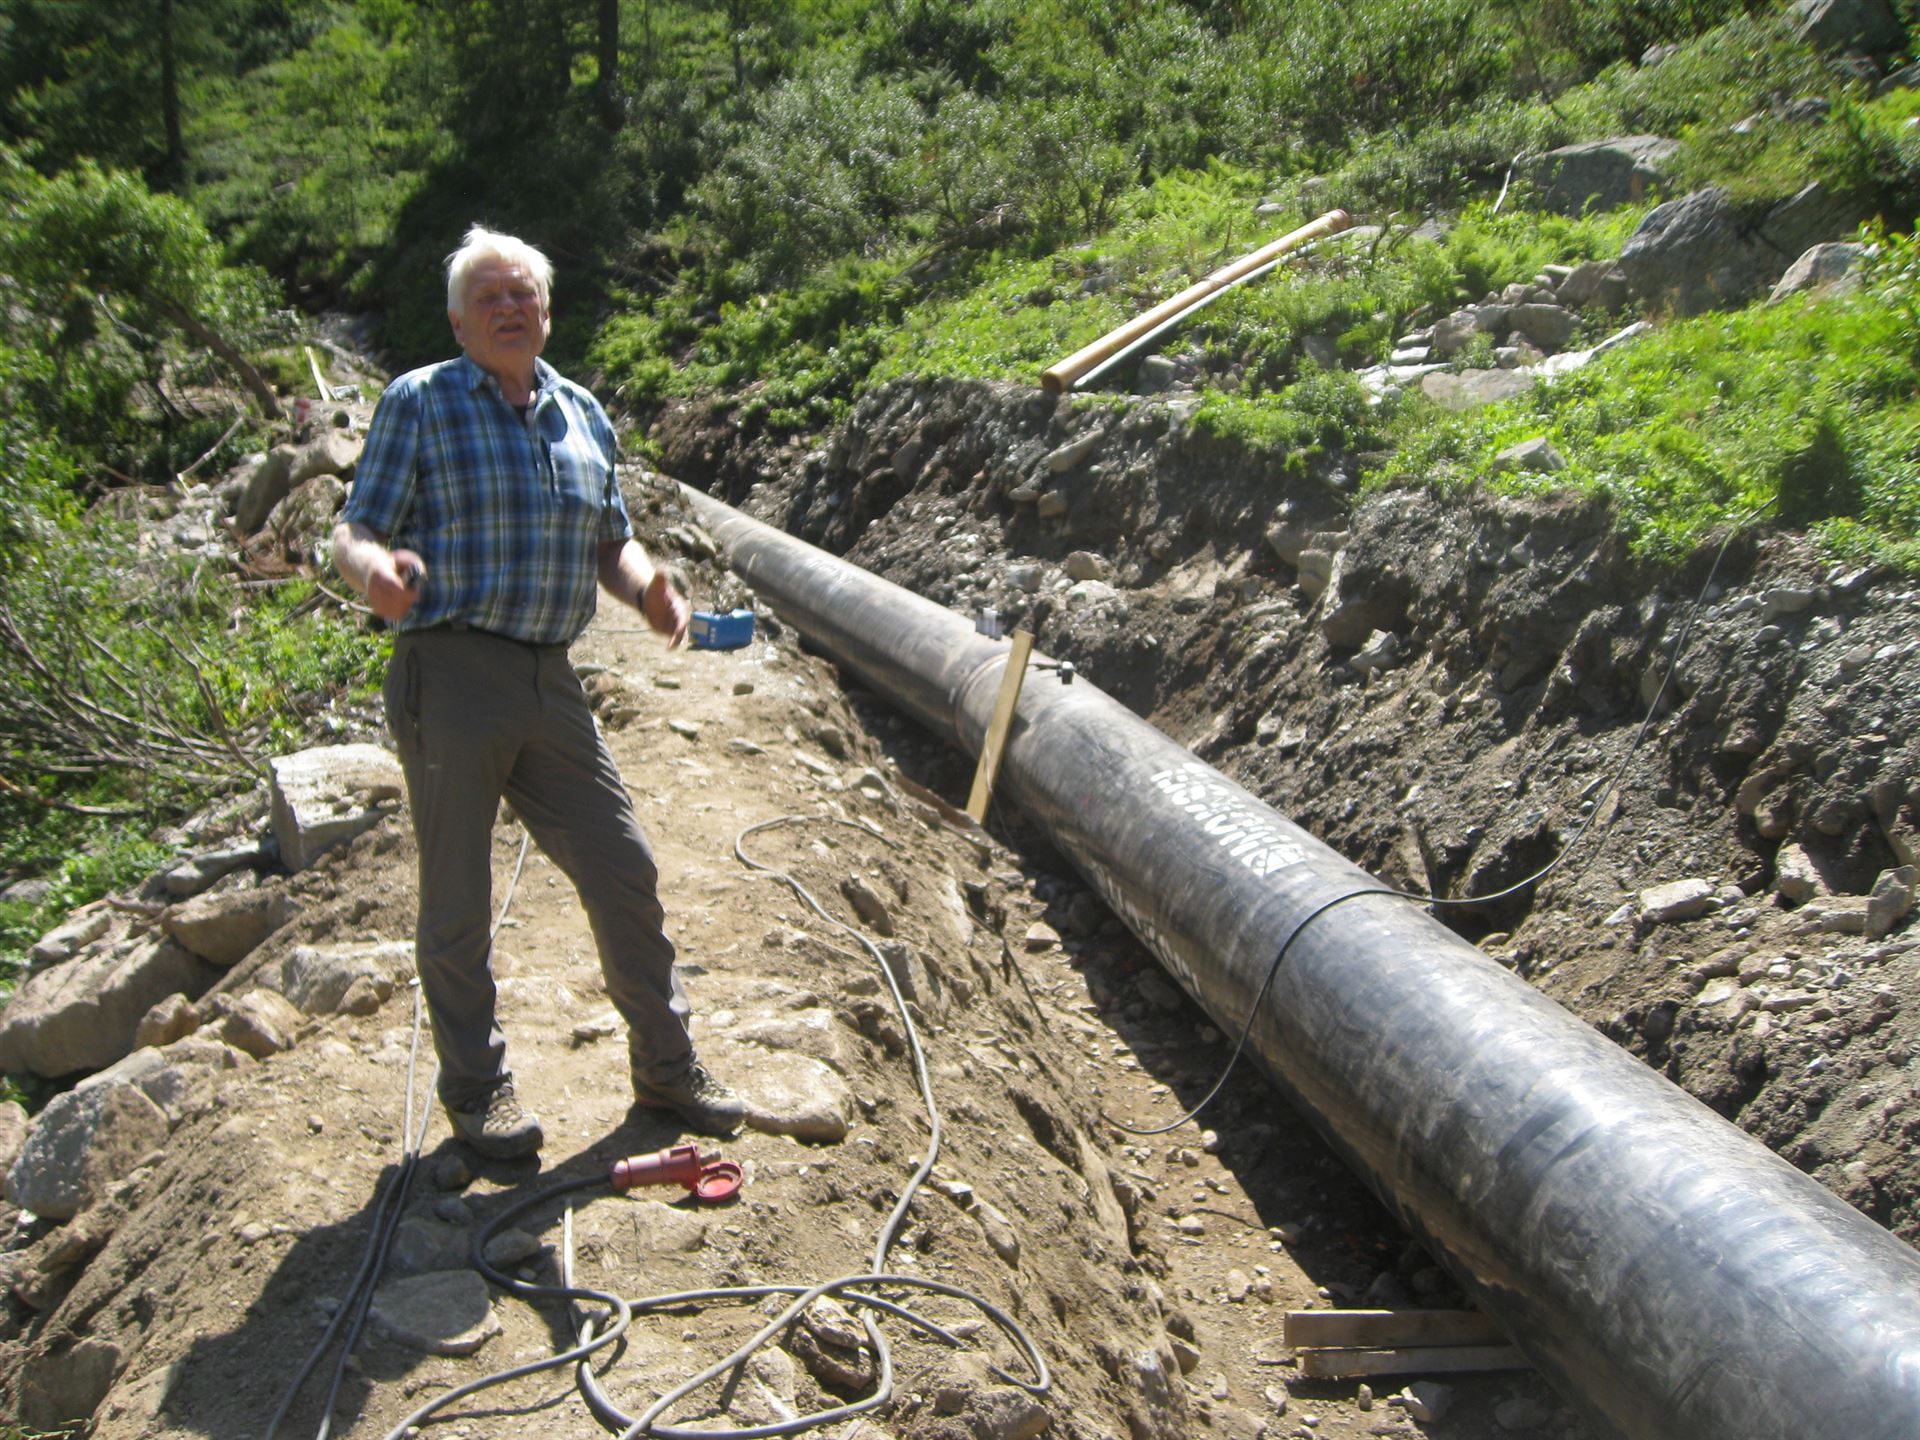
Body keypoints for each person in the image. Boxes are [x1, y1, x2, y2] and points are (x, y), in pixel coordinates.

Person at [331, 224, 743, 1158]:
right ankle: (478, 1091)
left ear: (547, 312)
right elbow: (354, 528)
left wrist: (648, 589)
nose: (509, 308)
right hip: (450, 670)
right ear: (458, 322)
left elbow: (610, 540)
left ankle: (667, 1065)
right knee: (458, 897)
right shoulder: (421, 401)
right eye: (489, 298)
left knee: (622, 865)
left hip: (550, 677)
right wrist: (375, 576)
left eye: (523, 294)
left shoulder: (581, 411)